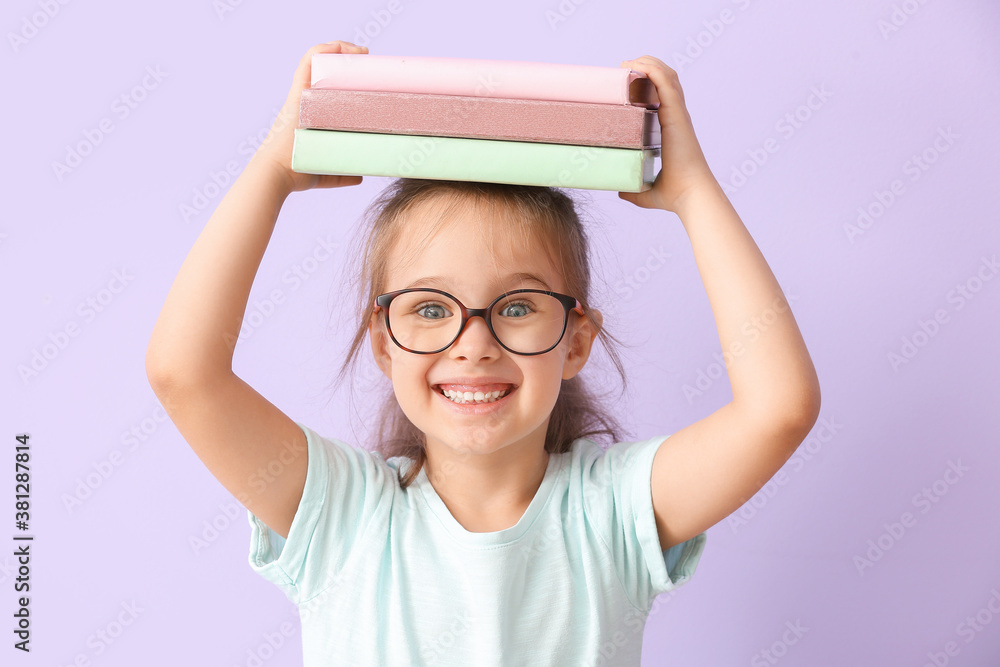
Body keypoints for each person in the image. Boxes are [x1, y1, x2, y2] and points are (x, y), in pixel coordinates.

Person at [145, 40, 821, 666]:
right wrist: (271, 170)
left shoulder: (610, 514)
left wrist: (694, 192)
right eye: (431, 309)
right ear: (383, 341)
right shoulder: (342, 518)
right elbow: (184, 372)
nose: (474, 344)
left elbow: (779, 409)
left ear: (577, 339)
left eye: (518, 307)